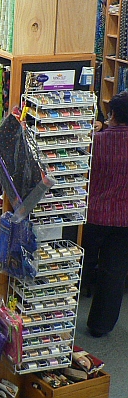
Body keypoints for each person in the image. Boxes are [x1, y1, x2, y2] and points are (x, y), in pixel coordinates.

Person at [82, 90, 128, 337]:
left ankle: (62, 313)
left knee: (82, 263)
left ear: (113, 114)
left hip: (93, 213)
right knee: (114, 272)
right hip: (124, 218)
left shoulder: (96, 142)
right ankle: (100, 326)